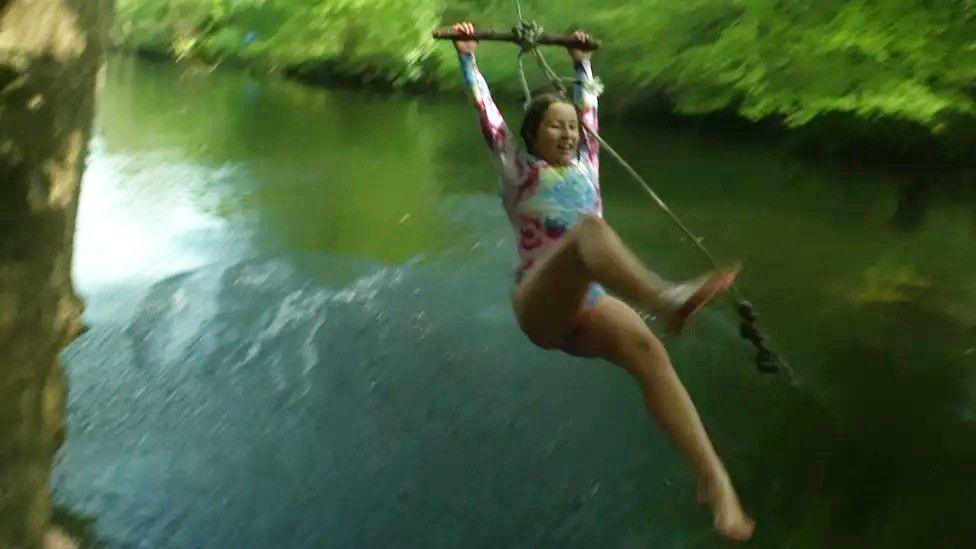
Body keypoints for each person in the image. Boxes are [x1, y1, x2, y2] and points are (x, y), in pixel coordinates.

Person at [450, 21, 755, 541]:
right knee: (590, 233)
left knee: (648, 352)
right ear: (531, 135)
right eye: (556, 127)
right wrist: (468, 58)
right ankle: (665, 297)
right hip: (539, 304)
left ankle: (714, 483)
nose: (568, 133)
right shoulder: (515, 168)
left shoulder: (589, 160)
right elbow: (488, 116)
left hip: (588, 305)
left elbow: (589, 107)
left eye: (572, 126)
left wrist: (582, 65)